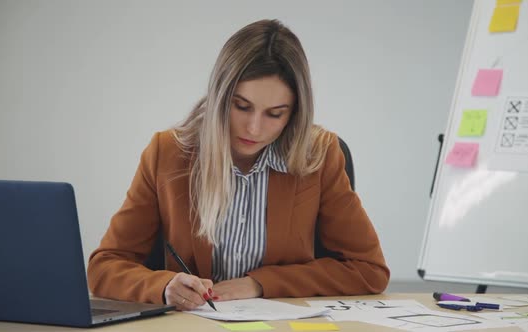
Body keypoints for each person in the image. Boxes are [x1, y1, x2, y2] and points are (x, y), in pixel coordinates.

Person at [87, 19, 389, 311]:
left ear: (295, 113)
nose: (254, 128)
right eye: (241, 106)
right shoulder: (168, 153)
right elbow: (104, 267)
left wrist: (259, 284)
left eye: (275, 114)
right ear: (220, 96)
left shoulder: (320, 157)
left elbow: (368, 270)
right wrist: (164, 286)